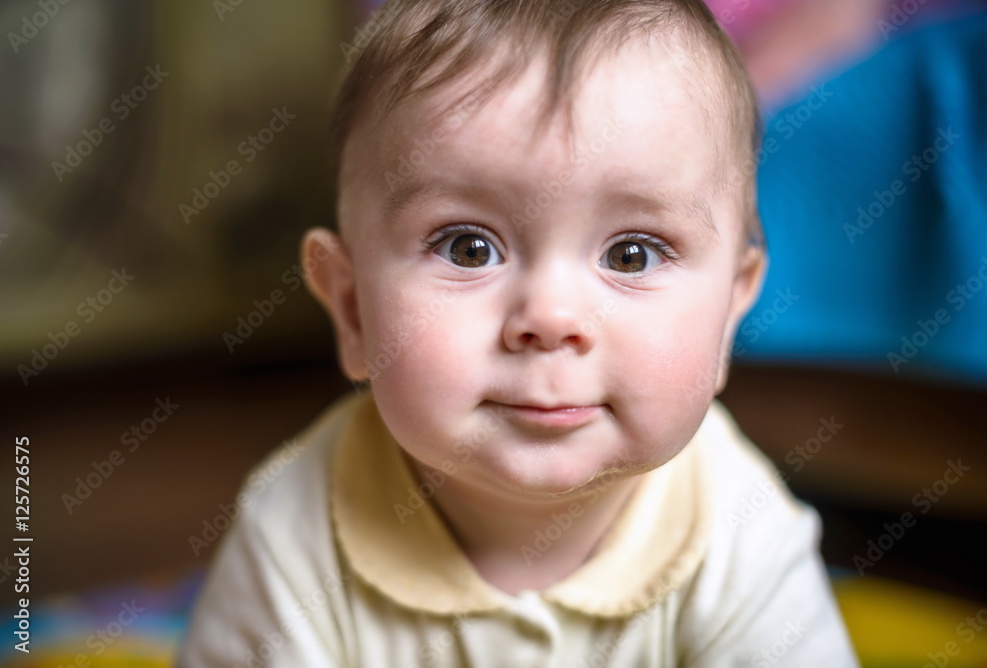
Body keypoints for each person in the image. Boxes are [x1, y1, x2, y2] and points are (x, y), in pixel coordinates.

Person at [179, 0, 859, 665]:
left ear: (729, 314)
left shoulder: (736, 525)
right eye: (469, 248)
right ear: (353, 312)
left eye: (632, 254)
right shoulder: (293, 533)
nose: (551, 319)